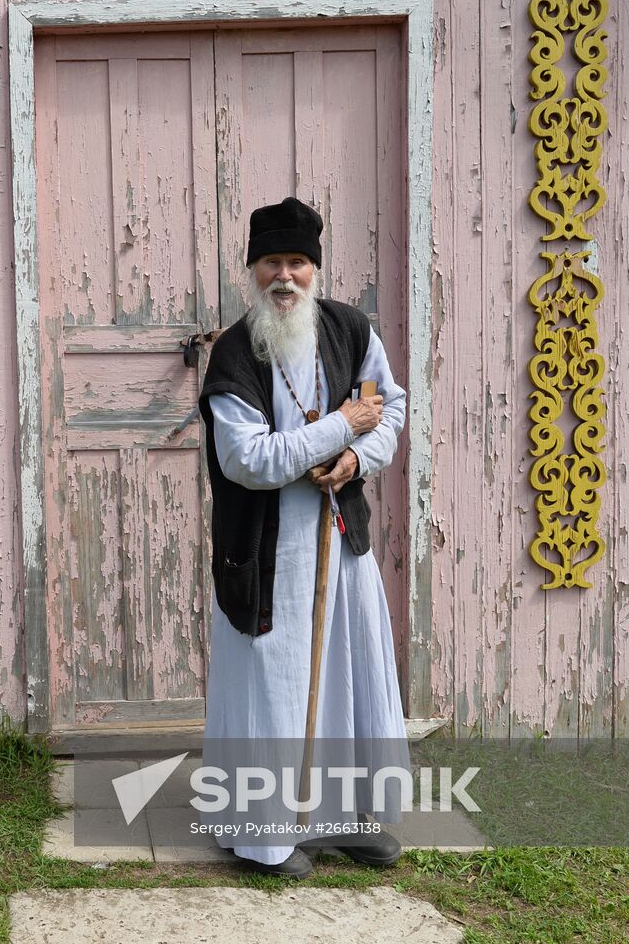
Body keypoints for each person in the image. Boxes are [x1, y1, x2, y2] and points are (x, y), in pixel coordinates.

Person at [197, 197, 410, 879]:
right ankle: (263, 834)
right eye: (271, 263)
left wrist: (355, 460)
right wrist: (343, 426)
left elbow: (391, 409)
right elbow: (248, 459)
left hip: (340, 548)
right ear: (251, 270)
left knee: (346, 678)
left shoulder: (350, 330)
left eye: (297, 263)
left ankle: (346, 819)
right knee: (273, 691)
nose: (284, 276)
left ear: (315, 270)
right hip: (266, 557)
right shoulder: (233, 353)